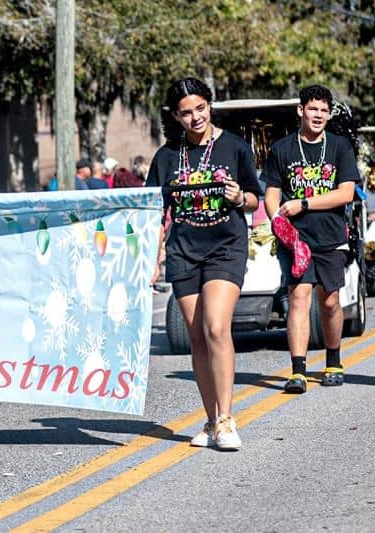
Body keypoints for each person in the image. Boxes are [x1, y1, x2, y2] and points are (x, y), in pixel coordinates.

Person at [146, 77, 261, 450]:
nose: (195, 117)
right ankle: (210, 420)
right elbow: (150, 212)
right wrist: (152, 258)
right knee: (196, 336)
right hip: (183, 250)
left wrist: (239, 195)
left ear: (210, 105)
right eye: (186, 112)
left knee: (215, 327)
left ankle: (227, 420)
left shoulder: (234, 147)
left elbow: (254, 202)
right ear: (176, 117)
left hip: (226, 246)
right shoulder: (166, 157)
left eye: (200, 108)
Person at [262, 85, 360, 393]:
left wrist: (304, 203)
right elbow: (272, 196)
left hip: (331, 236)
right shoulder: (282, 149)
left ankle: (333, 361)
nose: (318, 115)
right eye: (312, 109)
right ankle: (298, 370)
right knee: (298, 298)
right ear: (300, 110)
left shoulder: (340, 146)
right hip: (297, 239)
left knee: (330, 301)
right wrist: (278, 221)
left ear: (329, 114)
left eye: (323, 110)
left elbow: (345, 193)